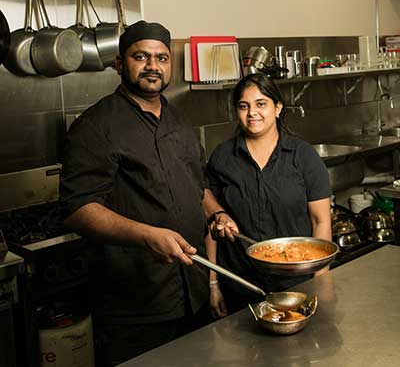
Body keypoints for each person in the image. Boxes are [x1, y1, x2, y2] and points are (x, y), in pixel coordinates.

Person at [59, 20, 212, 366]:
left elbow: (197, 185)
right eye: (141, 57)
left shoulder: (180, 122)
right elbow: (77, 208)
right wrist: (147, 235)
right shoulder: (95, 126)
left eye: (161, 58)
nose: (153, 66)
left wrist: (216, 213)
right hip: (136, 307)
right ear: (119, 64)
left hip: (193, 291)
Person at [203, 72, 332, 315]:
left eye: (261, 104)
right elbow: (212, 226)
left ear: (278, 108)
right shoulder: (222, 157)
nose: (252, 113)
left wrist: (320, 281)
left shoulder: (303, 156)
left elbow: (321, 220)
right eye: (244, 106)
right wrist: (213, 283)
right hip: (240, 285)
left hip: (297, 286)